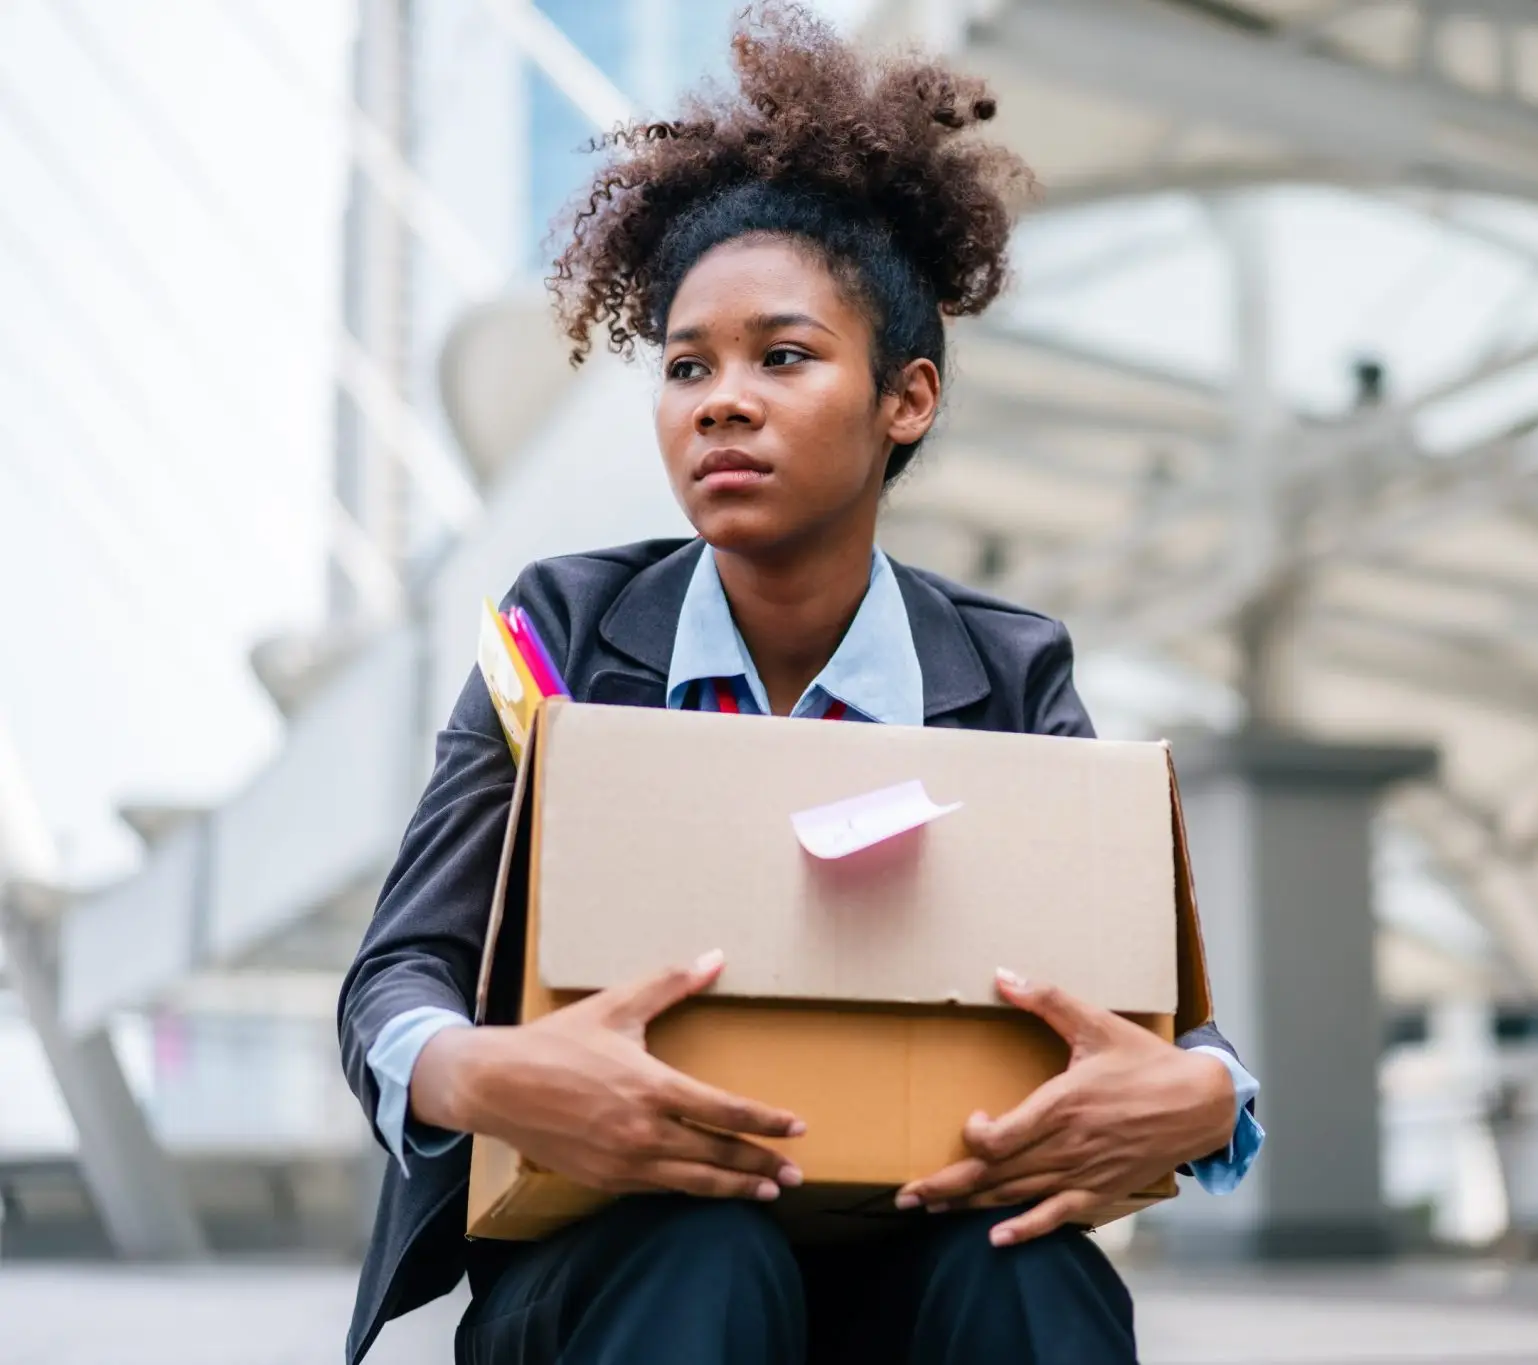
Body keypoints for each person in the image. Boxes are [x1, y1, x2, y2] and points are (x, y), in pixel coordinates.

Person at [336, 9, 1263, 1363]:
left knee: (1031, 1279)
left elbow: (1148, 1010)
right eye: (688, 367)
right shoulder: (558, 635)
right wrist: (482, 1071)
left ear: (908, 398)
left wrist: (1207, 1099)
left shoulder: (1011, 671)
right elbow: (398, 971)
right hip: (622, 1262)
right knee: (699, 1255)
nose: (720, 401)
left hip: (917, 1247)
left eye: (783, 356)